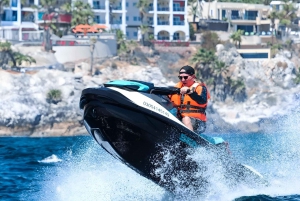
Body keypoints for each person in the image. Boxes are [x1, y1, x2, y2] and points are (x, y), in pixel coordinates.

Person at [169, 65, 210, 134]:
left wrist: (190, 92)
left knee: (186, 119)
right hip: (181, 119)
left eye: (185, 77)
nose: (183, 80)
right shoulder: (177, 88)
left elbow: (202, 101)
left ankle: (191, 140)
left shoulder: (201, 88)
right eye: (180, 77)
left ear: (193, 77)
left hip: (199, 123)